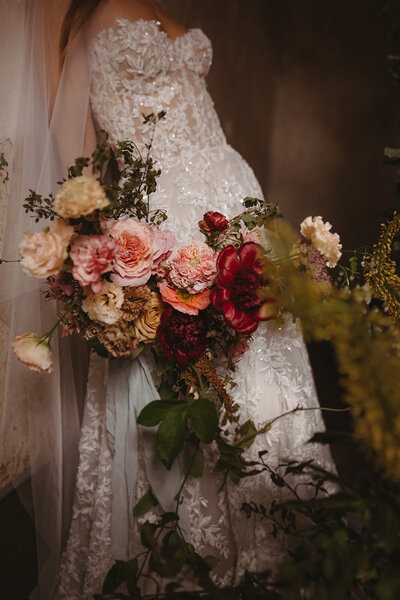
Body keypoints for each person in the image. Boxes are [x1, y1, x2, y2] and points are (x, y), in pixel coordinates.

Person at [0, 1, 335, 598]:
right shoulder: (91, 26)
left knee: (259, 375)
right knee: (181, 384)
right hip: (167, 224)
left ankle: (274, 534)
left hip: (235, 202)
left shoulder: (159, 9)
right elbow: (73, 167)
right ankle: (178, 554)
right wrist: (98, 263)